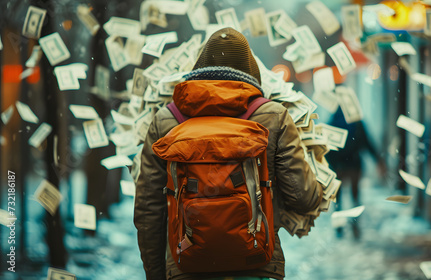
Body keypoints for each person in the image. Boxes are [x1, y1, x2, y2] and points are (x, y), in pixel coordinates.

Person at [133, 27, 323, 280]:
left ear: (198, 67)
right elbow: (304, 198)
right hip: (256, 264)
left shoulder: (167, 120)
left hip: (187, 266)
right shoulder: (273, 116)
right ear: (251, 71)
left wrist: (157, 274)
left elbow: (149, 209)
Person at [325, 108, 386, 238]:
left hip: (338, 168)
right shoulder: (357, 123)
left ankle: (339, 227)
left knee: (338, 199)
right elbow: (367, 143)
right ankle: (355, 227)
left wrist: (329, 166)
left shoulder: (331, 123)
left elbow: (325, 148)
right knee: (355, 197)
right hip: (354, 165)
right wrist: (378, 160)